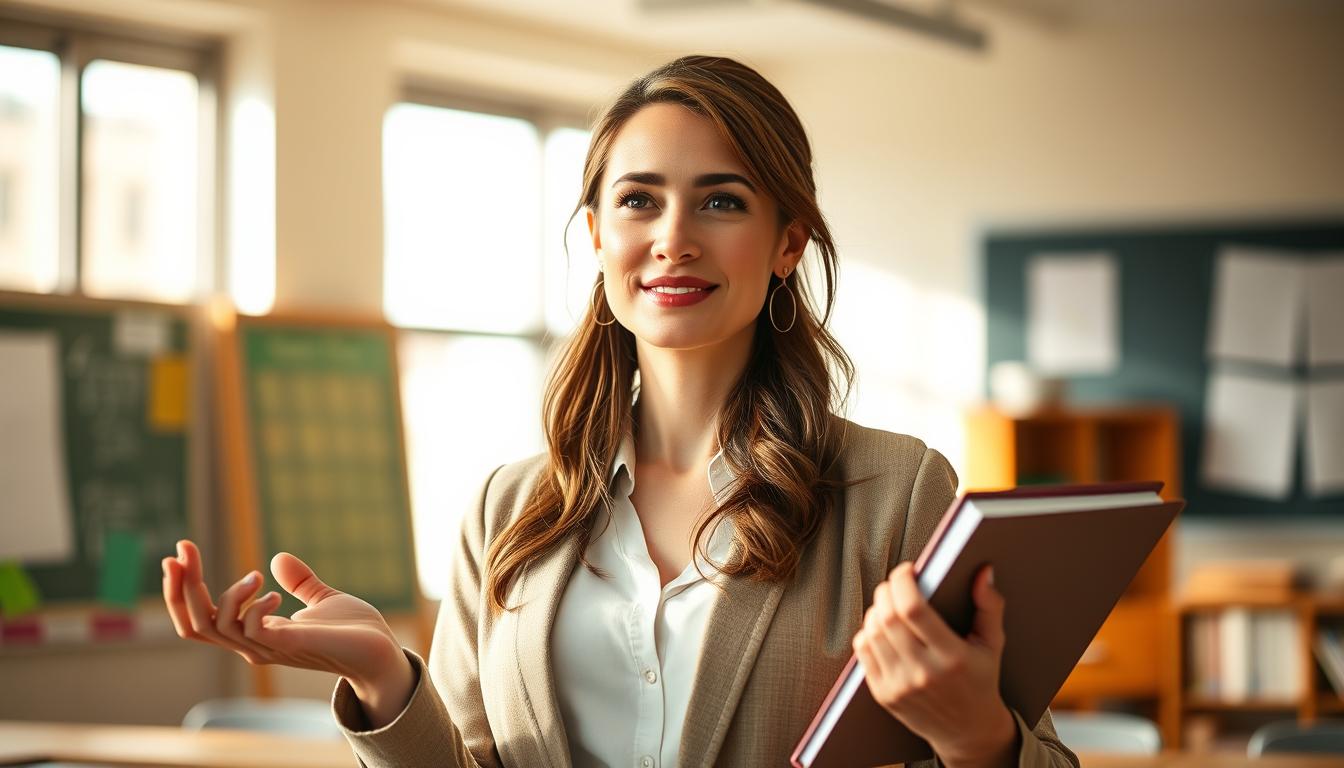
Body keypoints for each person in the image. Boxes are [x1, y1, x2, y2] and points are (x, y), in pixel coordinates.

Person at [162, 55, 1079, 768]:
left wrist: (979, 743)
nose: (673, 239)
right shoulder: (506, 508)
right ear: (598, 233)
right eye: (639, 200)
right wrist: (383, 678)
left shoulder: (895, 492)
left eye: (722, 200)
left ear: (788, 241)